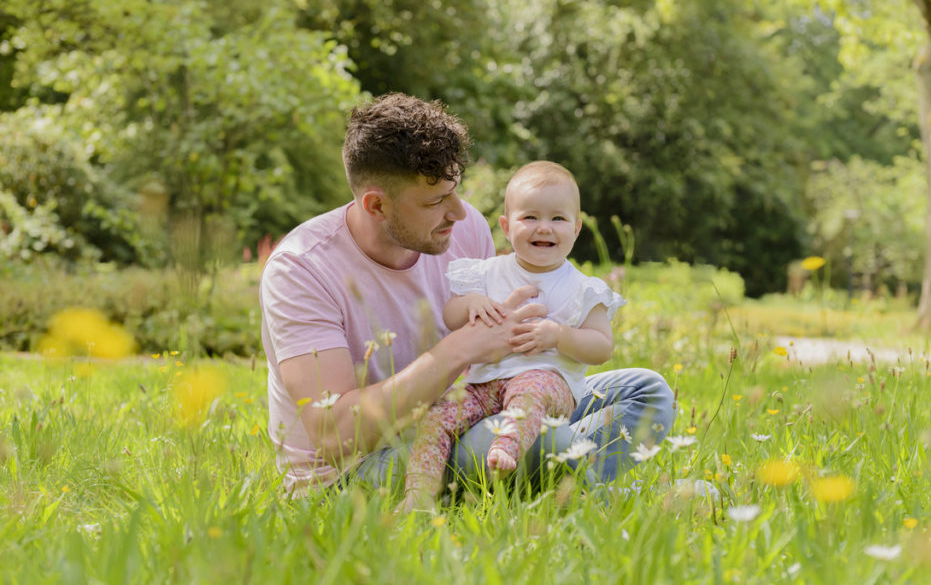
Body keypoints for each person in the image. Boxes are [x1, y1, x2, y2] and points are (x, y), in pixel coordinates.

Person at [259, 93, 675, 497]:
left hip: (475, 410)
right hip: (363, 468)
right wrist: (459, 349)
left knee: (647, 391)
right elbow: (334, 436)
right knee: (543, 441)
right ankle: (601, 492)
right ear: (376, 205)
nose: (459, 212)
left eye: (456, 190)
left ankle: (559, 471)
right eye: (438, 200)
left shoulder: (461, 227)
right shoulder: (301, 269)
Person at [399, 161, 625, 512]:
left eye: (558, 219)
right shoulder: (486, 272)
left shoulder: (584, 289)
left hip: (546, 384)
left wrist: (559, 336)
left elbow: (601, 348)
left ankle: (510, 444)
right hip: (481, 384)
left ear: (577, 229)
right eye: (530, 217)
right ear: (506, 226)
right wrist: (472, 303)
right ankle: (419, 497)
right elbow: (450, 315)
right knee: (436, 420)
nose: (544, 228)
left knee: (530, 390)